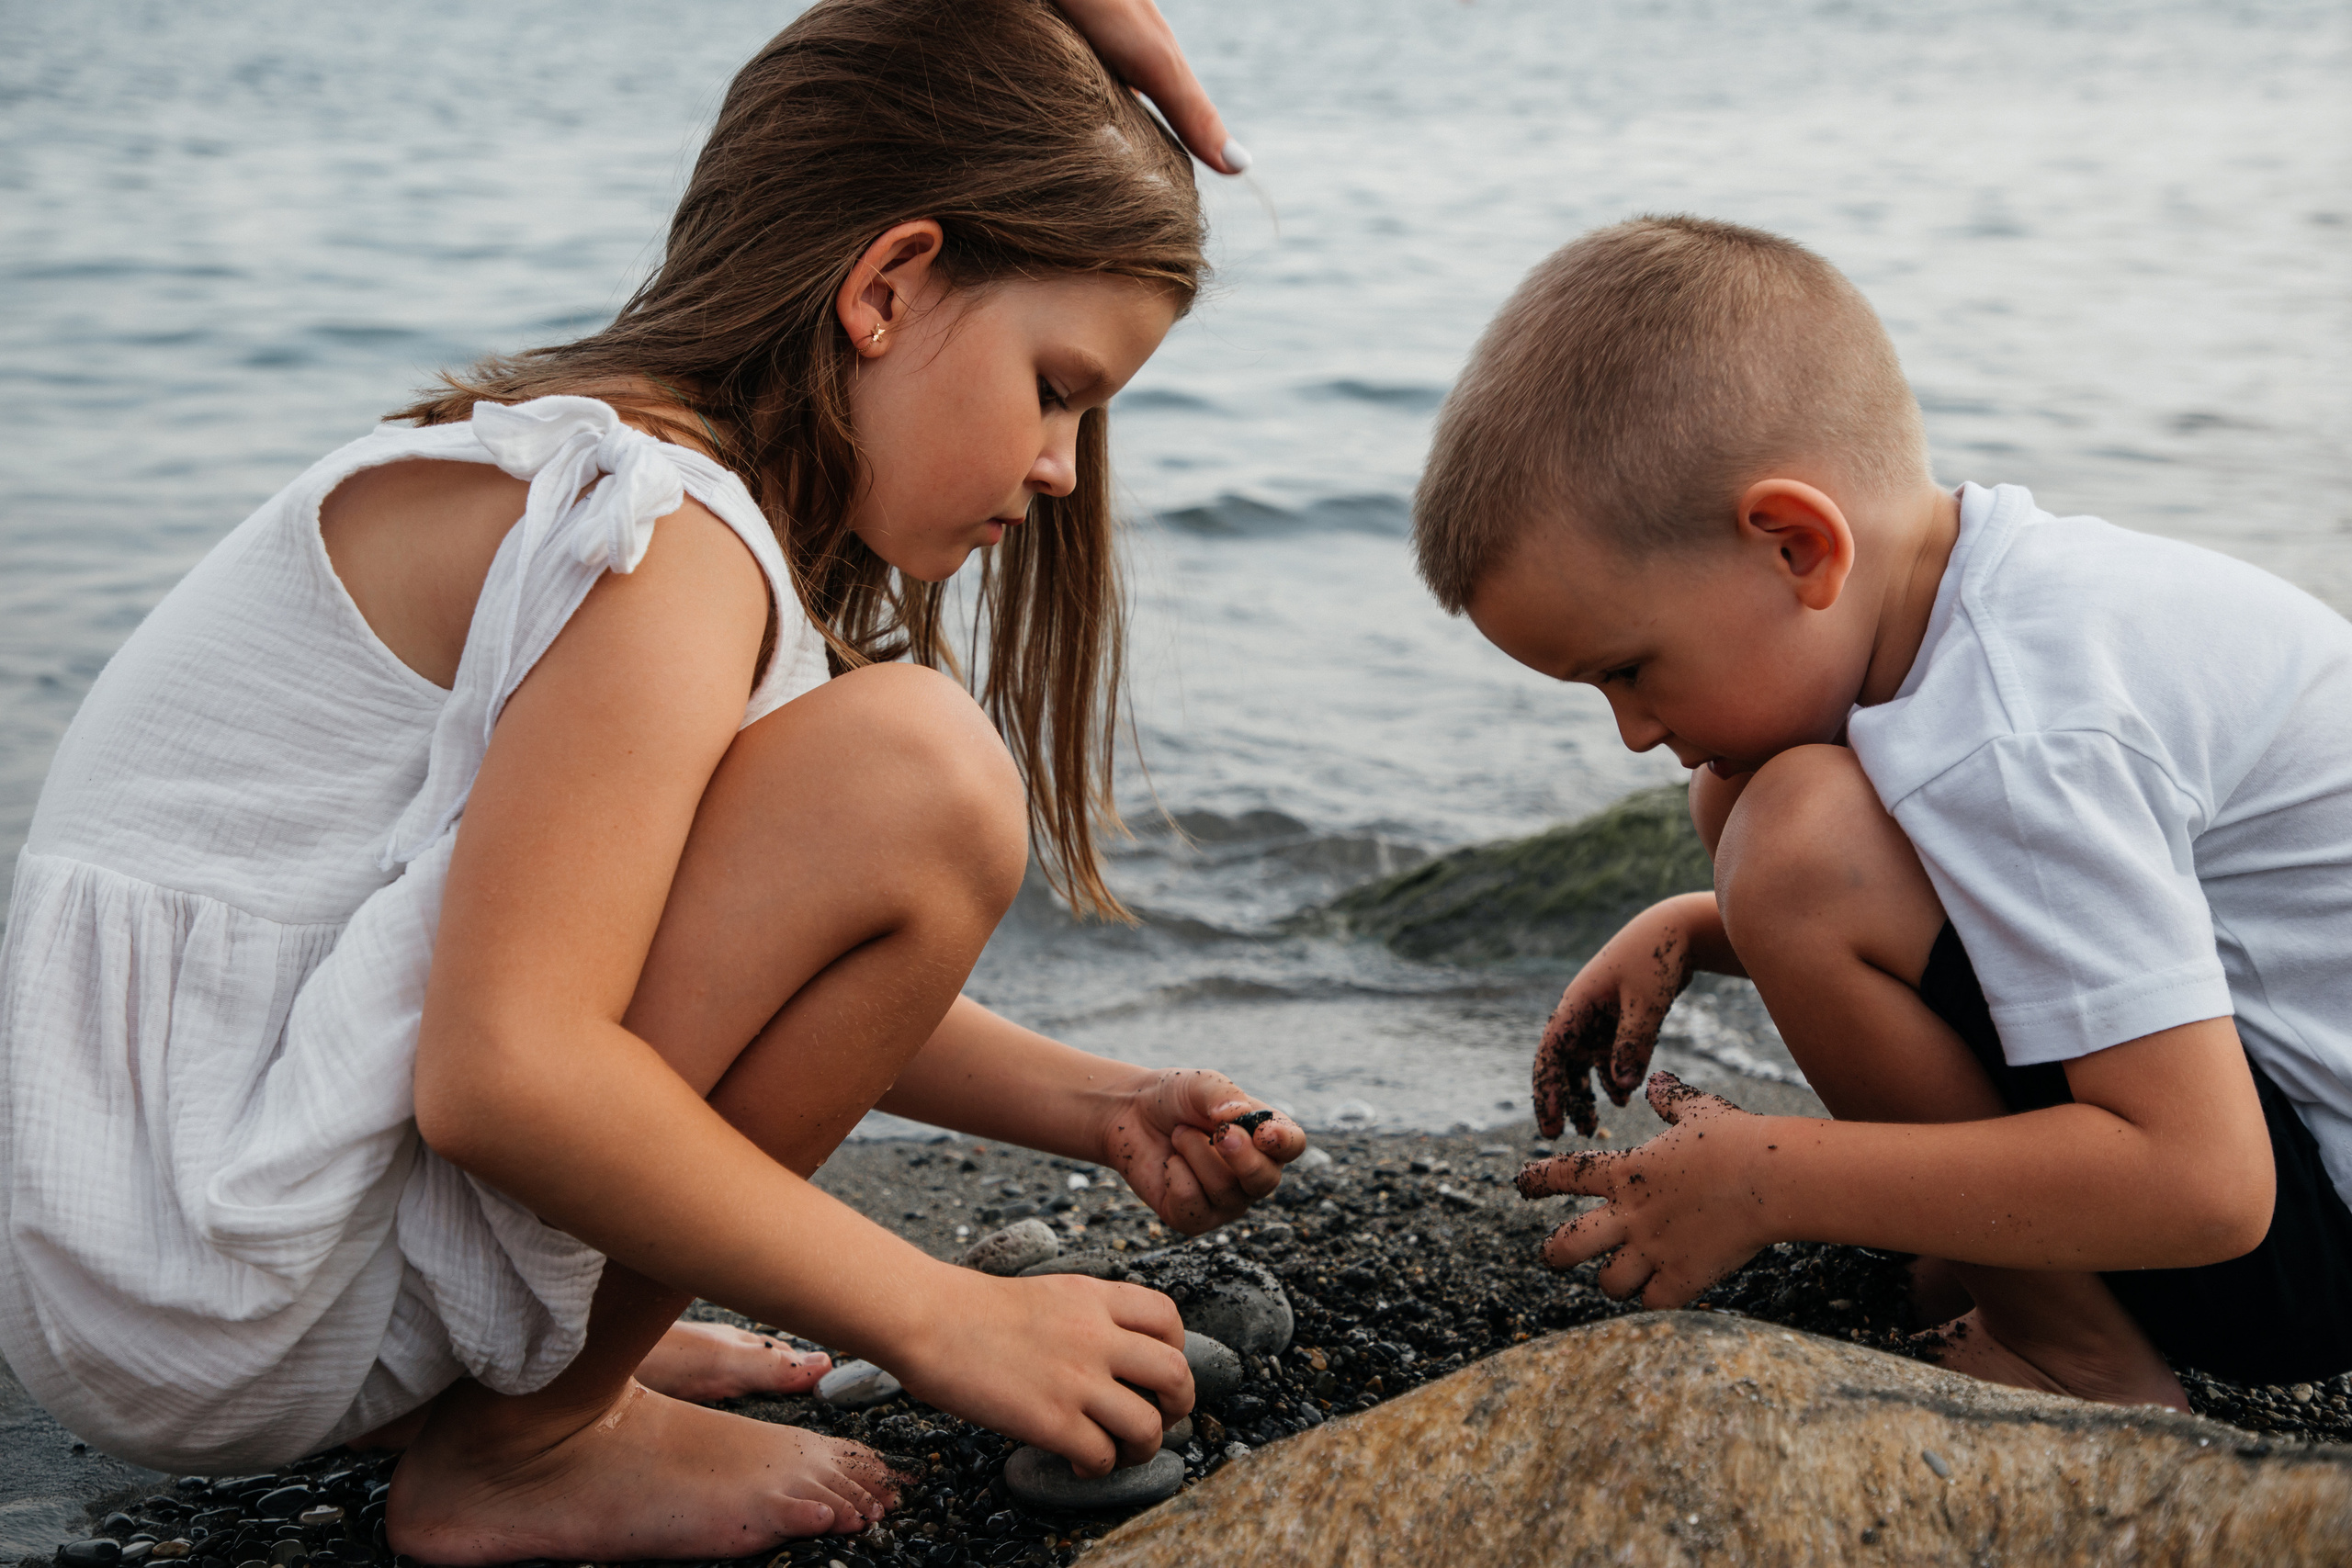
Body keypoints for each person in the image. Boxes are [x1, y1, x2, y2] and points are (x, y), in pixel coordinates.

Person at [0, 0, 1301, 1560]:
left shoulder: (609, 483)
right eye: (1058, 388)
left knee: (895, 787)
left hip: (149, 1239)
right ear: (888, 285)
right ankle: (536, 1439)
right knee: (929, 774)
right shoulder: (661, 533)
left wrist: (1105, 1108)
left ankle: (511, 1374)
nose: (1062, 472)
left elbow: (716, 943)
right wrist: (947, 1314)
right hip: (208, 1276)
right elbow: (509, 1076)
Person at [1415, 215, 2352, 1408]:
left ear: (1798, 546)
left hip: (2302, 1241)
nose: (1634, 732)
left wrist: (1777, 1175)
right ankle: (2016, 1257)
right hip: (2281, 1156)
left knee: (1797, 837)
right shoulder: (1993, 611)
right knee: (1753, 795)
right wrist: (1708, 927)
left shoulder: (2022, 729)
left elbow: (2209, 1186)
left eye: (1631, 668)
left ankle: (2075, 1355)